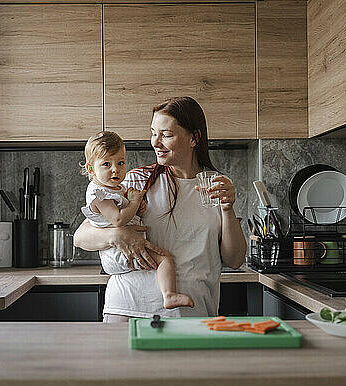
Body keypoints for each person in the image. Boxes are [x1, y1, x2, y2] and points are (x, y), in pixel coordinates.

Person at [74, 97, 247, 323]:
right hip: (129, 310)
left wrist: (227, 208)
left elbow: (234, 260)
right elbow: (81, 237)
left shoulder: (214, 186)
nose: (155, 142)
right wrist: (117, 235)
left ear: (194, 138)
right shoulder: (135, 181)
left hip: (192, 314)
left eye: (166, 135)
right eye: (153, 133)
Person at [80, 131, 194, 310]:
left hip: (120, 254)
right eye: (106, 164)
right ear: (91, 169)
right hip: (119, 256)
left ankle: (169, 295)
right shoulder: (100, 193)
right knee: (165, 259)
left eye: (120, 162)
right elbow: (116, 220)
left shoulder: (116, 188)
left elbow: (123, 212)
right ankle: (169, 295)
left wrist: (136, 208)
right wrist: (134, 202)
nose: (115, 169)